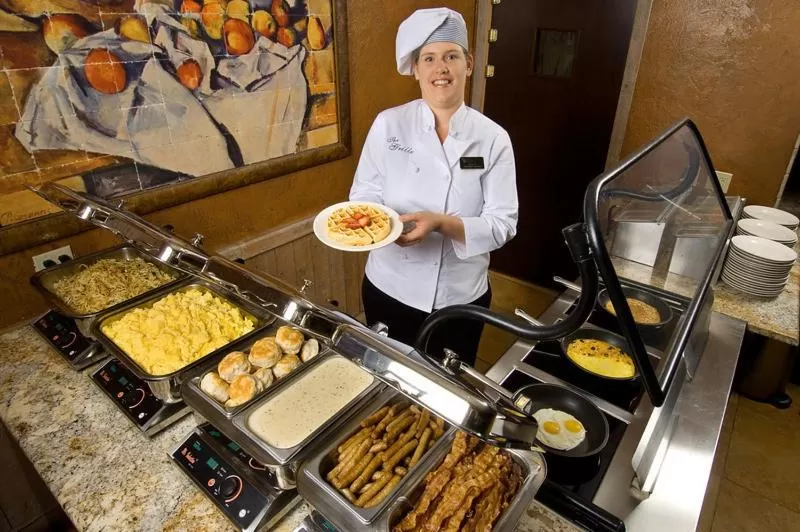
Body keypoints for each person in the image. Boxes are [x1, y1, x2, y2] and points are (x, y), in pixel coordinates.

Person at [349, 7, 518, 367]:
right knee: (387, 383)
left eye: (451, 56)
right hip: (389, 287)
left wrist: (442, 224)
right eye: (429, 58)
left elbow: (503, 223)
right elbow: (363, 196)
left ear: (468, 64)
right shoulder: (388, 125)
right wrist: (385, 226)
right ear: (415, 69)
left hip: (460, 299)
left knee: (450, 392)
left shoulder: (493, 139)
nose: (440, 68)